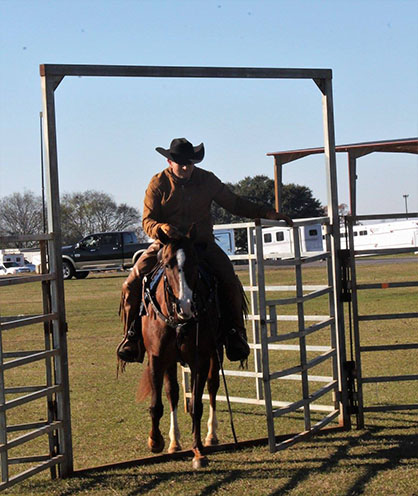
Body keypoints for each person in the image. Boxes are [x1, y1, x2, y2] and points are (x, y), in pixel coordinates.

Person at [117, 138, 293, 364]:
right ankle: (131, 336)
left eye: (189, 163)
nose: (185, 168)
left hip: (201, 243)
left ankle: (234, 333)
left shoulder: (207, 180)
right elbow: (147, 221)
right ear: (170, 162)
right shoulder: (158, 183)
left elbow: (235, 203)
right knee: (130, 283)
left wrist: (267, 213)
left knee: (229, 279)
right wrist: (161, 228)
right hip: (166, 245)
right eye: (181, 163)